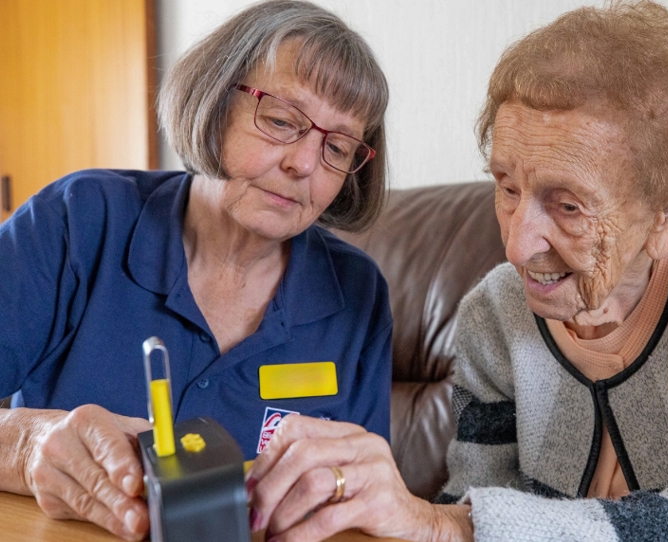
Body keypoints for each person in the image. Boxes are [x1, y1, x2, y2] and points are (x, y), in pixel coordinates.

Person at [248, 1, 668, 541]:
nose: (518, 246)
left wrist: (450, 526)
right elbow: (475, 496)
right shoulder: (495, 313)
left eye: (568, 206)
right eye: (508, 188)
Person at [0, 1, 392, 540]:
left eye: (337, 147)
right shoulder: (77, 219)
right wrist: (25, 445)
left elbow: (360, 504)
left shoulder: (358, 294)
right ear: (214, 99)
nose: (303, 163)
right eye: (281, 121)